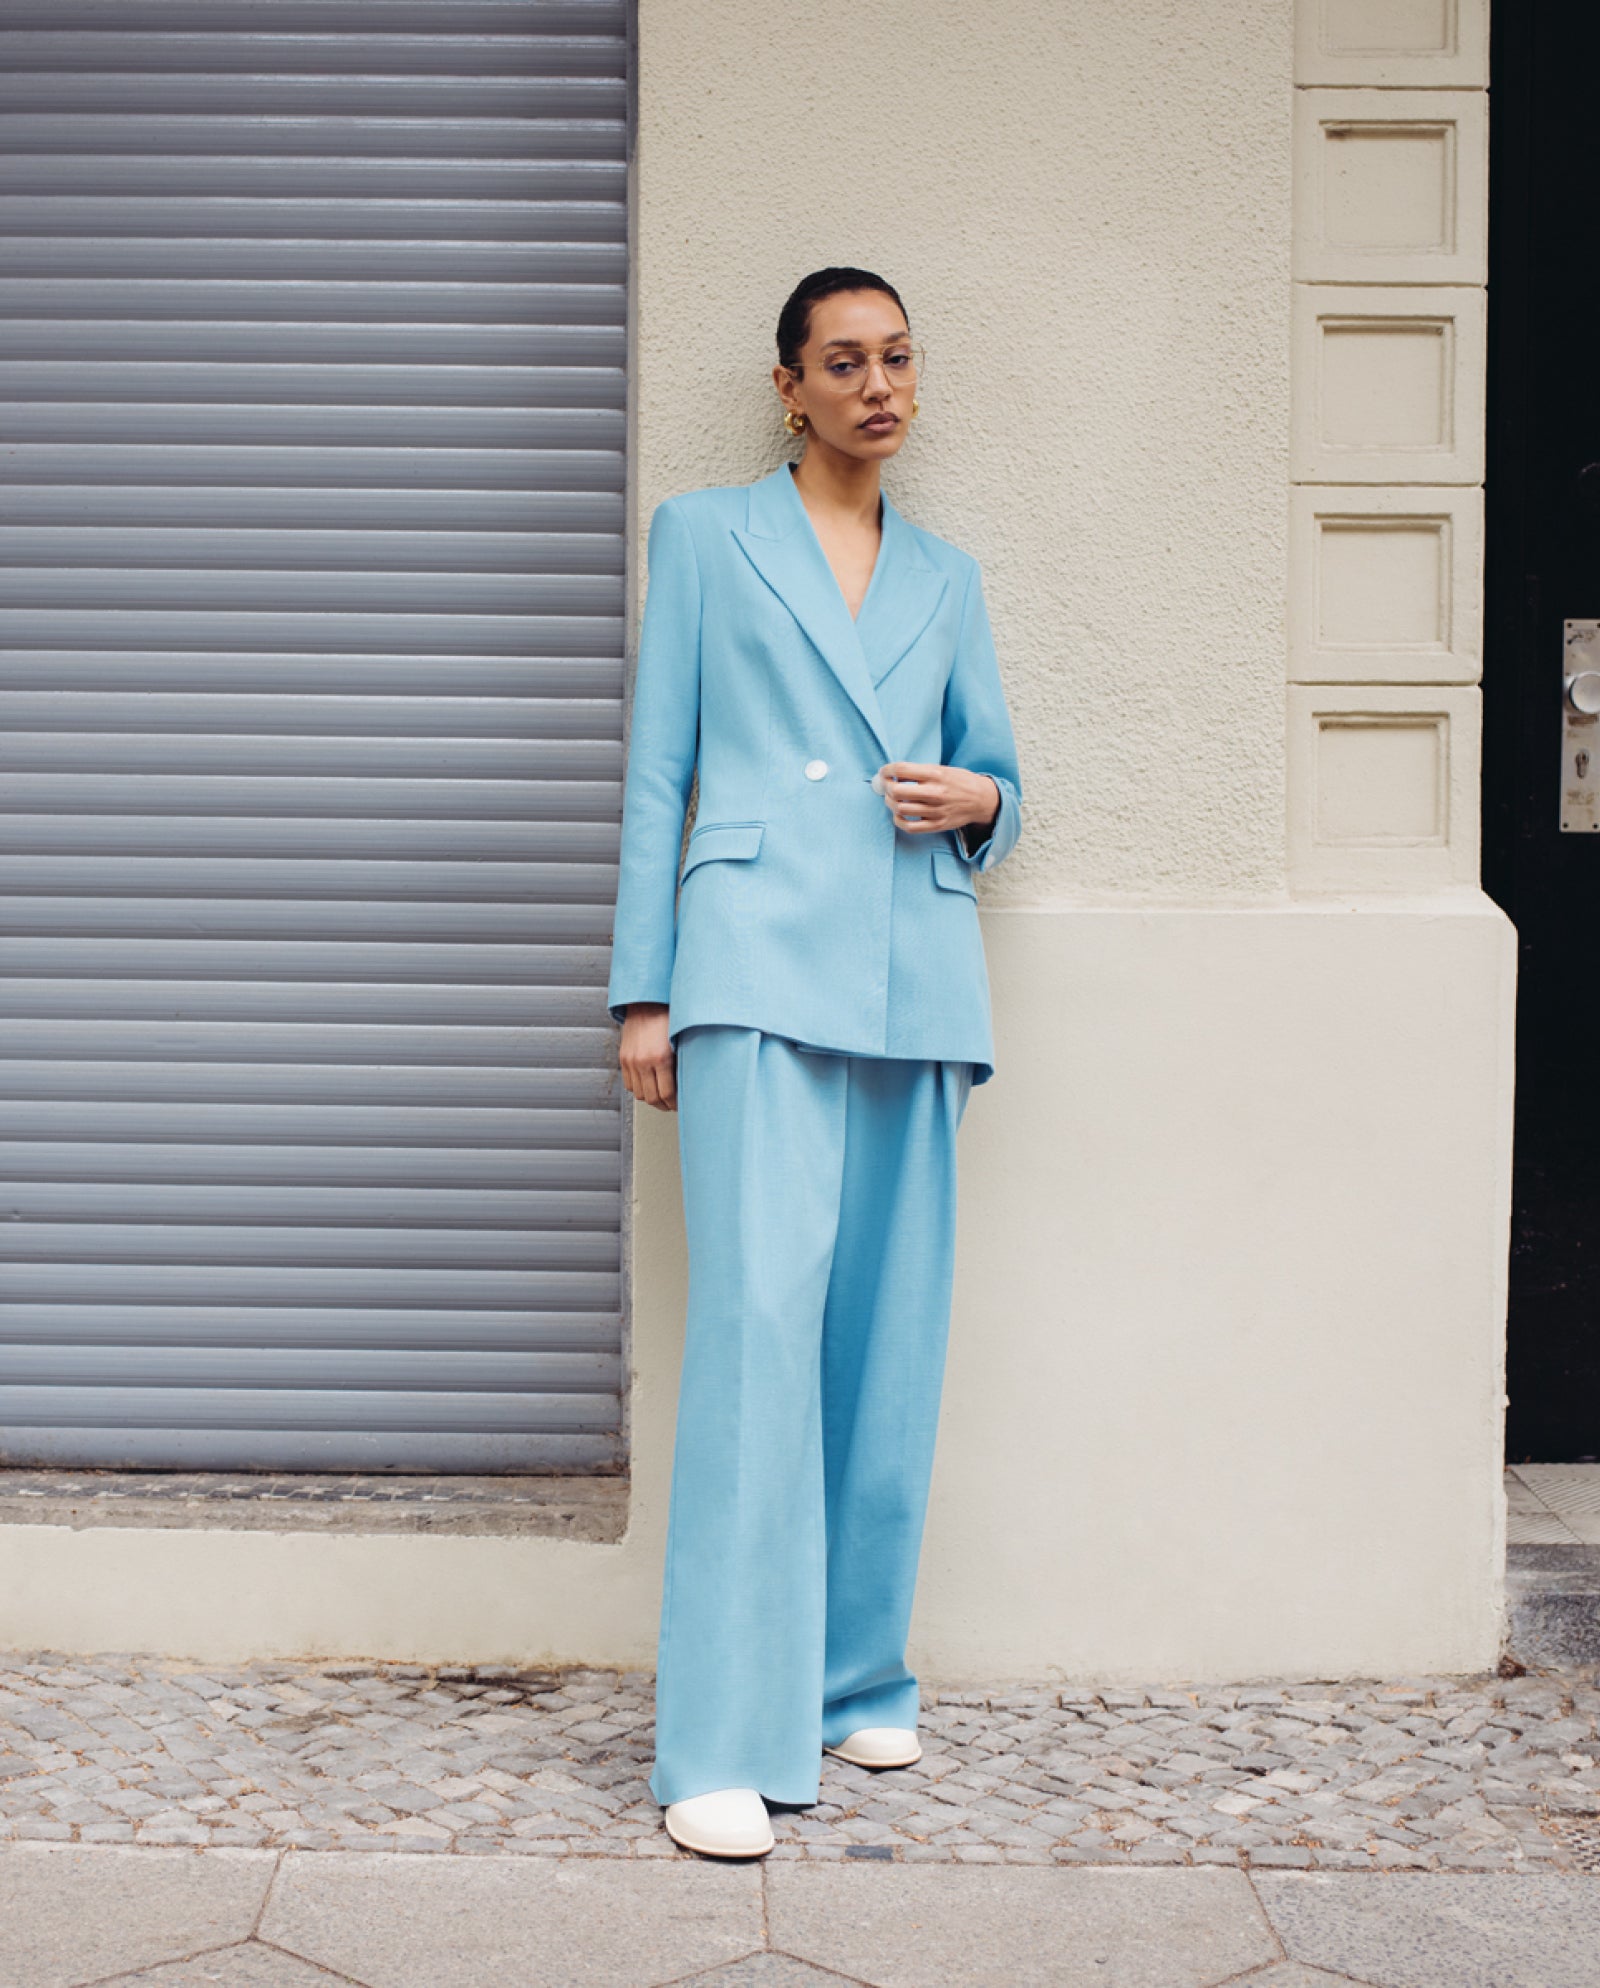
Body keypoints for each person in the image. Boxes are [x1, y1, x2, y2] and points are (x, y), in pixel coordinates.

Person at [606, 266, 1024, 1858]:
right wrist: (643, 994)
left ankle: (857, 1675)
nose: (877, 385)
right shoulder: (708, 538)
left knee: (887, 1342)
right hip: (755, 973)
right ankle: (718, 1734)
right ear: (788, 385)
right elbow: (663, 775)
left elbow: (1001, 766)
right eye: (843, 361)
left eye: (897, 358)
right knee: (759, 1337)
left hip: (915, 969)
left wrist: (978, 803)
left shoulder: (949, 576)